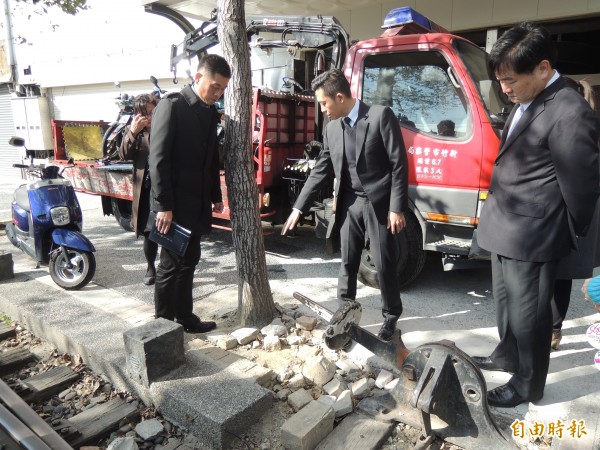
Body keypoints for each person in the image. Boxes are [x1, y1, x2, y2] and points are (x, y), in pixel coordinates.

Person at [473, 22, 600, 408]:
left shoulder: (569, 111)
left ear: (543, 68)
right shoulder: (527, 100)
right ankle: (508, 357)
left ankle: (527, 384)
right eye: (500, 81)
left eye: (510, 80)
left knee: (530, 315)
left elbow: (582, 186)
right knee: (506, 305)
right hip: (504, 224)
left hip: (534, 234)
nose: (505, 89)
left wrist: (563, 233)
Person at [281, 68, 409, 341]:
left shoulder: (379, 117)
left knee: (384, 263)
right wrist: (298, 207)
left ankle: (391, 316)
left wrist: (396, 207)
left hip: (379, 203)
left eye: (324, 103)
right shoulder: (332, 129)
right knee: (347, 262)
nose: (323, 109)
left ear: (339, 97)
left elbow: (399, 164)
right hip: (349, 202)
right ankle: (345, 311)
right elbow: (321, 170)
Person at [149, 54, 230, 333]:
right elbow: (158, 160)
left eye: (222, 89)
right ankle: (162, 327)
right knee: (170, 266)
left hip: (197, 204)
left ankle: (184, 316)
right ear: (199, 78)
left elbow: (209, 159)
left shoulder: (208, 112)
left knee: (190, 263)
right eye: (215, 87)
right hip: (172, 206)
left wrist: (215, 195)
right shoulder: (171, 106)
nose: (218, 94)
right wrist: (163, 205)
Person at [550, 78, 600, 350]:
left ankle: (550, 331)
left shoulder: (573, 125)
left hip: (567, 212)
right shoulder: (589, 123)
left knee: (551, 274)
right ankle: (554, 332)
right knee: (563, 276)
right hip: (582, 214)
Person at [119, 93, 159, 286]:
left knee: (168, 230)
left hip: (165, 185)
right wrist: (133, 132)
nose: (149, 118)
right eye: (145, 114)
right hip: (145, 186)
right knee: (148, 231)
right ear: (136, 115)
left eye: (152, 112)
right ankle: (150, 266)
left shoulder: (165, 126)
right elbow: (124, 154)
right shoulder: (132, 130)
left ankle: (171, 270)